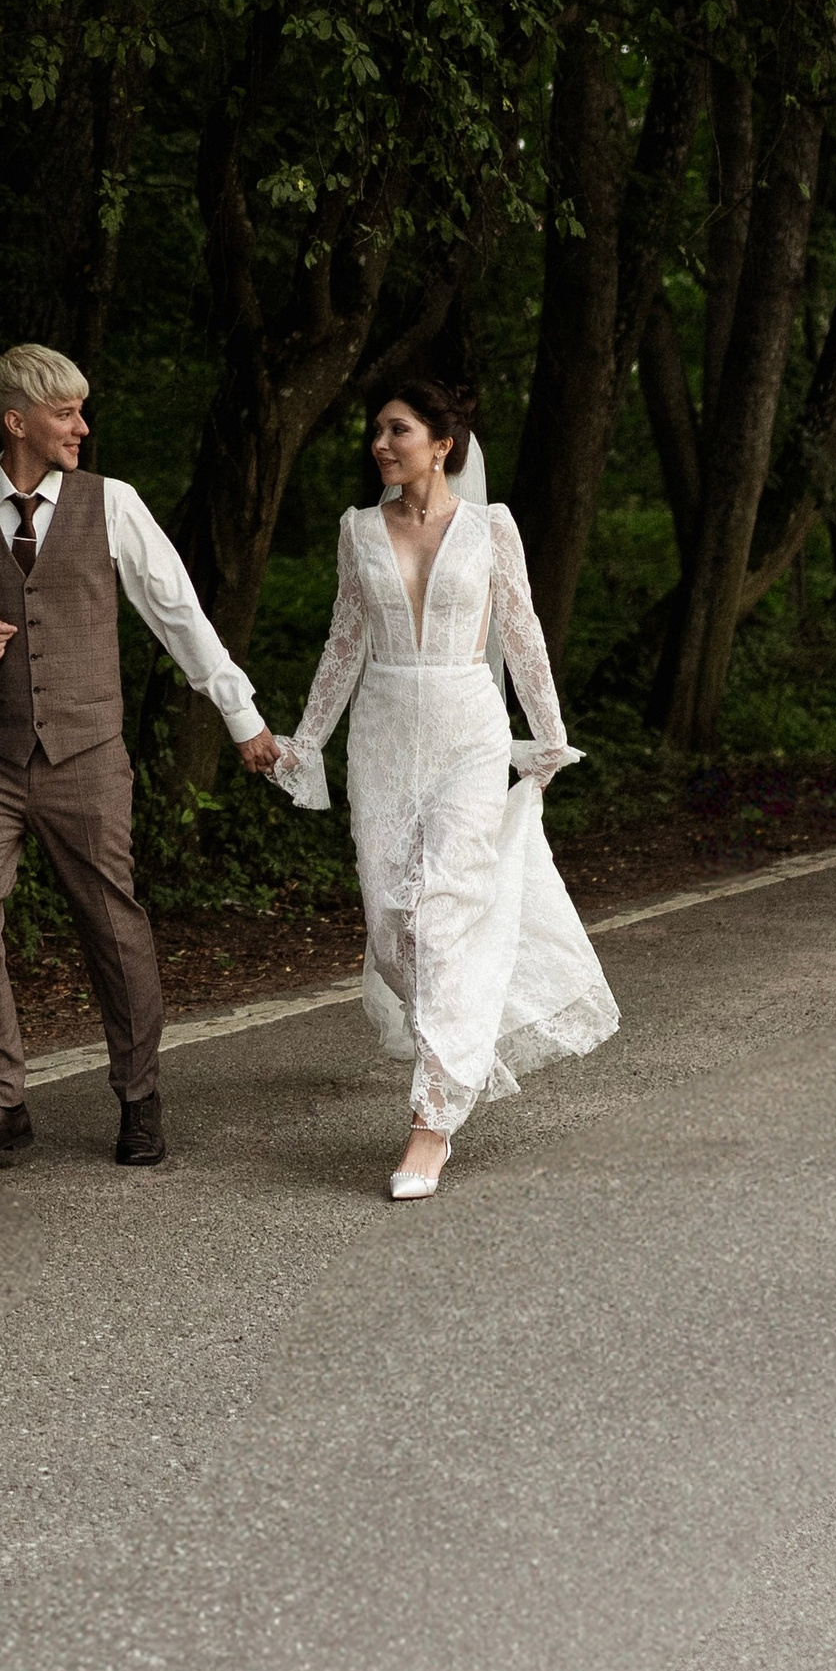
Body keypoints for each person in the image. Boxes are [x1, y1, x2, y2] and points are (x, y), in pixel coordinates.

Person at [0, 344, 280, 1178]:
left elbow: (179, 616)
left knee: (113, 924)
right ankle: (3, 1102)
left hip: (89, 754)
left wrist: (240, 715)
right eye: (67, 413)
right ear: (17, 421)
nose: (82, 427)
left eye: (81, 410)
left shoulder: (115, 505)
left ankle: (139, 1099)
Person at [270, 378, 619, 1198]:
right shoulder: (358, 531)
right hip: (384, 735)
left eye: (397, 431)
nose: (379, 444)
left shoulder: (493, 528)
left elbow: (521, 631)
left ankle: (431, 1122)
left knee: (444, 911)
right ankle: (463, 1033)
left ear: (443, 444)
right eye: (376, 432)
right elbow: (343, 642)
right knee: (393, 919)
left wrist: (551, 735)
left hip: (469, 729)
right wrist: (306, 744)